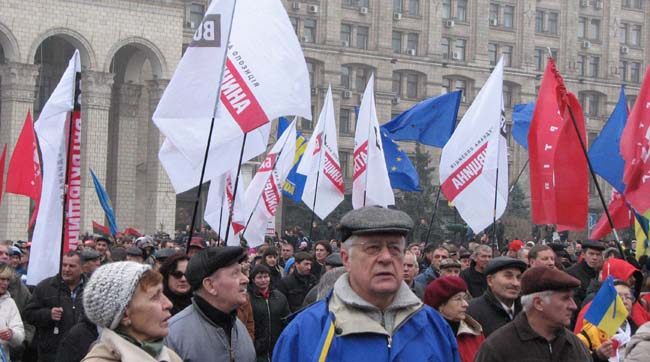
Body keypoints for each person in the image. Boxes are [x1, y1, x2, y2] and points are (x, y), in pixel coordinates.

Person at [273, 206, 459, 361]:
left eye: (394, 248)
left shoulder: (435, 327)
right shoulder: (306, 332)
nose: (386, 257)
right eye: (373, 248)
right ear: (346, 259)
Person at [474, 266, 591, 361]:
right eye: (565, 298)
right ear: (538, 303)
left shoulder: (575, 345)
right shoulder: (498, 347)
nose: (573, 306)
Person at [164, 246, 255, 362]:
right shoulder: (173, 335)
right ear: (210, 285)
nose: (246, 279)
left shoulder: (239, 328)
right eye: (235, 273)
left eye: (242, 272)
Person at [81, 262, 182, 362]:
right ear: (125, 315)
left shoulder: (171, 357)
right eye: (155, 297)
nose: (168, 304)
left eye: (162, 293)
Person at [24, 251, 86, 362]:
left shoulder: (91, 288)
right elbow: (28, 314)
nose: (66, 269)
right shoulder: (45, 287)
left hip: (83, 353)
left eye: (72, 266)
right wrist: (48, 314)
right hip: (52, 354)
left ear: (82, 268)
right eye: (64, 265)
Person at [424, 276, 484, 362]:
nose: (465, 304)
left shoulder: (475, 333)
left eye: (465, 298)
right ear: (440, 306)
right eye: (458, 299)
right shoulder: (424, 337)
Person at [466, 256, 527, 337]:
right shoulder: (471, 312)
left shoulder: (528, 310)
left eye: (519, 277)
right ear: (490, 280)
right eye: (508, 276)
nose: (516, 283)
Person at [576, 280, 635, 361]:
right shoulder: (590, 333)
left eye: (628, 297)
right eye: (618, 297)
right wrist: (597, 356)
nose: (624, 301)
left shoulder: (638, 328)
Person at [248, 265, 290, 362]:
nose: (263, 280)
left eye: (266, 277)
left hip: (277, 347)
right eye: (259, 277)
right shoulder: (248, 298)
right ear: (253, 280)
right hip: (256, 350)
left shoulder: (280, 297)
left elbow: (286, 320)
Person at [566, 240, 605, 311]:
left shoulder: (603, 271)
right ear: (583, 254)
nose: (595, 258)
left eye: (598, 254)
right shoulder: (572, 273)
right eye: (591, 254)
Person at [0, 263, 25, 362]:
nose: (5, 283)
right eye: (2, 279)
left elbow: (20, 334)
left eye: (7, 280)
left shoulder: (10, 303)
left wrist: (11, 334)